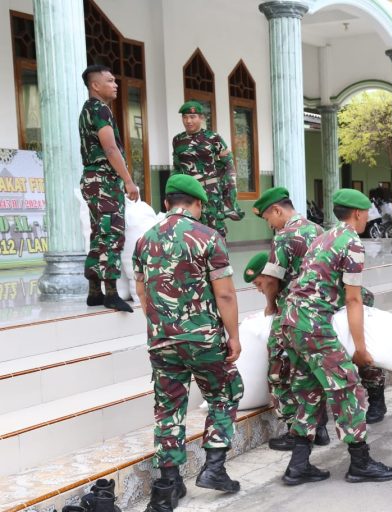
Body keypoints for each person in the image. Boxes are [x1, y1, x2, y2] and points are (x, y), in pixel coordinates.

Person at [133, 174, 243, 511]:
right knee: (226, 392)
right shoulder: (208, 237)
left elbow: (142, 292)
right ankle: (214, 467)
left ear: (167, 203)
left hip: (161, 339)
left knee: (168, 408)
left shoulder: (144, 241)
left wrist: (160, 329)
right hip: (202, 338)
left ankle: (166, 486)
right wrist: (234, 335)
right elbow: (223, 292)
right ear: (196, 205)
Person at [279, 188, 392, 485]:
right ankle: (360, 461)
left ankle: (298, 465)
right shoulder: (352, 242)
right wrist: (360, 349)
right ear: (358, 214)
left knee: (309, 390)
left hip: (292, 321)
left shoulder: (324, 237)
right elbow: (354, 300)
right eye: (366, 214)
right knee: (348, 388)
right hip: (314, 324)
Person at [248, 187, 330, 451]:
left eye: (268, 219)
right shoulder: (319, 231)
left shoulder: (284, 237)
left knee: (279, 371)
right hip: (319, 313)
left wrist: (271, 305)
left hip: (291, 314)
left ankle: (297, 430)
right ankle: (321, 427)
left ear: (277, 210)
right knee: (312, 369)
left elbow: (271, 279)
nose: (270, 224)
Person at [79, 64, 138, 313]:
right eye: (110, 80)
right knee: (111, 234)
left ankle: (94, 292)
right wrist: (127, 180)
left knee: (99, 233)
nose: (115, 84)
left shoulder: (87, 109)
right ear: (95, 85)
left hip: (93, 179)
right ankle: (111, 293)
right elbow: (110, 149)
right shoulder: (100, 108)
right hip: (104, 180)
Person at [171, 101, 243, 239]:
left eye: (192, 117)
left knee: (215, 230)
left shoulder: (213, 138)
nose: (188, 121)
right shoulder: (178, 140)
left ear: (201, 118)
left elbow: (228, 163)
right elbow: (177, 167)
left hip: (210, 191)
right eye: (185, 117)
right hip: (188, 192)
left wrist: (229, 188)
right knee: (189, 229)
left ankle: (219, 259)